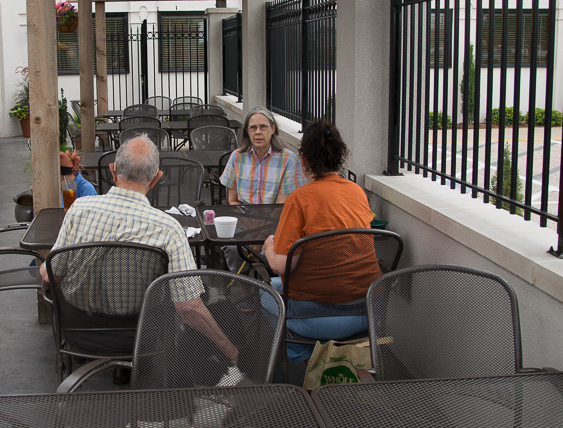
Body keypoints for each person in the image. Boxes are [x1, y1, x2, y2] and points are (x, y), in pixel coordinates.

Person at [40, 135, 239, 372]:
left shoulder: (78, 210)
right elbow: (188, 307)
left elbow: (50, 275)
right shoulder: (168, 228)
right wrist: (230, 349)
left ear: (113, 171)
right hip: (141, 335)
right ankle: (125, 369)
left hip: (78, 330)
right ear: (156, 178)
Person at [261, 120, 381, 362]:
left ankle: (302, 359)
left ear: (303, 160)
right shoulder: (358, 193)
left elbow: (284, 266)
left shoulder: (300, 199)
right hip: (367, 311)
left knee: (264, 293)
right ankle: (329, 362)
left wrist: (269, 248)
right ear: (339, 156)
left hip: (312, 318)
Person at [219, 106, 303, 205]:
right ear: (247, 131)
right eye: (253, 128)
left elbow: (281, 206)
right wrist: (246, 220)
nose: (258, 132)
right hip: (243, 217)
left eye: (263, 127)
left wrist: (263, 221)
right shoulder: (236, 157)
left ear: (273, 129)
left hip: (275, 219)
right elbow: (232, 200)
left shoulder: (288, 160)